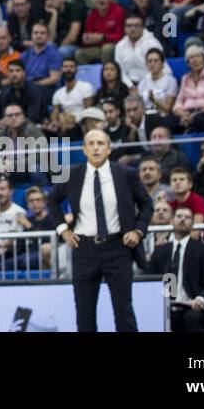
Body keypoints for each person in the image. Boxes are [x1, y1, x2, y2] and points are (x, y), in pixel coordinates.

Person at [49, 130, 153, 332]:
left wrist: (138, 231)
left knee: (123, 310)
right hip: (84, 249)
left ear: (109, 148)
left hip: (118, 248)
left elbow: (147, 204)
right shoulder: (71, 174)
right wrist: (64, 231)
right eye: (91, 143)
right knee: (84, 313)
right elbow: (52, 201)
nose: (96, 147)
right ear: (84, 149)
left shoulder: (126, 174)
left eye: (100, 143)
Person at [144, 206, 204, 332]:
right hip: (168, 305)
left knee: (190, 317)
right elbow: (152, 280)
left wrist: (201, 299)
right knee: (162, 316)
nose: (183, 219)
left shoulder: (203, 250)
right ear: (172, 220)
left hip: (194, 306)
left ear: (192, 223)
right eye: (179, 216)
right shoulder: (161, 251)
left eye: (187, 217)